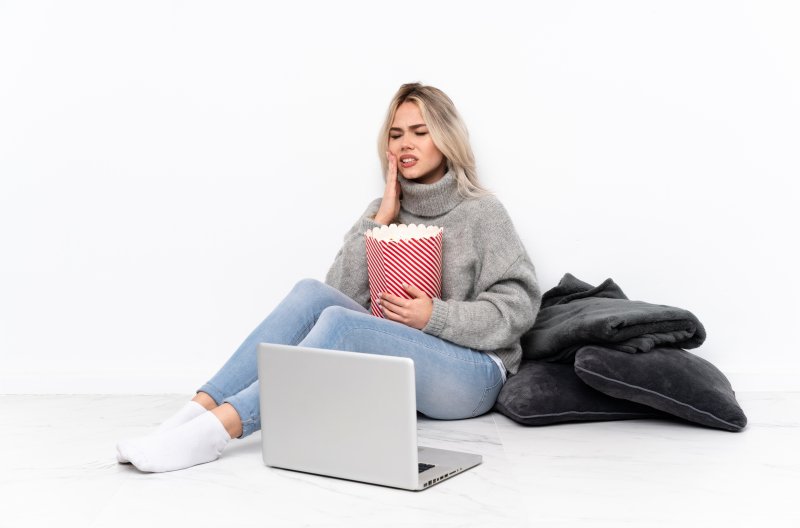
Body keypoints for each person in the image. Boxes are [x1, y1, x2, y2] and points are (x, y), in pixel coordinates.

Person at [116, 82, 543, 473]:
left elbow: (520, 306)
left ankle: (219, 430)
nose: (406, 144)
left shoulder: (481, 212)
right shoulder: (381, 211)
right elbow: (335, 295)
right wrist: (381, 220)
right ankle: (192, 414)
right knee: (309, 294)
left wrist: (435, 316)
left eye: (420, 131)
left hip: (474, 375)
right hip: (405, 375)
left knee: (343, 324)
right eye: (396, 135)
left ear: (446, 139)